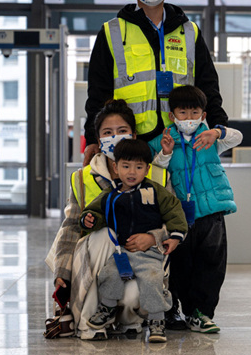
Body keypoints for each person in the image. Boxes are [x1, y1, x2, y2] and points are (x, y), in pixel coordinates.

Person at [82, 0, 229, 166]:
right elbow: (98, 91)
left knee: (182, 198)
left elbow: (208, 85)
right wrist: (93, 138)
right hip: (132, 141)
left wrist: (219, 126)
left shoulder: (189, 31)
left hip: (182, 137)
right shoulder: (112, 32)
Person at [46, 99, 177, 340]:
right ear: (98, 139)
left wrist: (152, 237)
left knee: (132, 295)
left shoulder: (156, 173)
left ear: (134, 135)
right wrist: (61, 272)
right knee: (106, 235)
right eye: (108, 132)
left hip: (140, 258)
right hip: (93, 260)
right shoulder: (82, 178)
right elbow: (70, 227)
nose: (115, 137)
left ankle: (128, 321)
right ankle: (88, 323)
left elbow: (173, 222)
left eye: (122, 131)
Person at [148, 85, 242, 334]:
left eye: (194, 112)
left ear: (203, 114)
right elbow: (151, 165)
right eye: (182, 112)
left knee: (211, 263)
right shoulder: (165, 139)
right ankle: (177, 310)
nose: (188, 118)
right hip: (180, 216)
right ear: (172, 115)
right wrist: (166, 154)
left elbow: (238, 137)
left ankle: (202, 313)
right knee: (181, 265)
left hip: (212, 213)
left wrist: (217, 131)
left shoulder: (209, 138)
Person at [80, 138, 188, 343]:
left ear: (147, 169)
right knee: (109, 274)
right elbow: (95, 213)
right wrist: (89, 219)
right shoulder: (111, 195)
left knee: (152, 279)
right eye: (126, 166)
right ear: (115, 166)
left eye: (138, 167)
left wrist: (175, 236)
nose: (132, 172)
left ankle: (157, 321)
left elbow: (175, 212)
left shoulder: (155, 191)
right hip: (121, 252)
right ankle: (107, 308)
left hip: (150, 253)